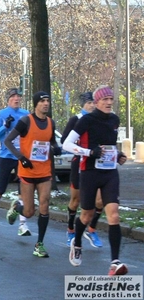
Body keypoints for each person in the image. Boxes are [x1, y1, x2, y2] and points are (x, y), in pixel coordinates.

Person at [62, 85, 128, 276]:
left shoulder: (114, 120)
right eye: (104, 100)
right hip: (90, 172)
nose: (108, 103)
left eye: (111, 100)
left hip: (109, 173)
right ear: (97, 102)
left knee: (114, 214)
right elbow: (66, 144)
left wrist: (119, 155)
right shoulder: (86, 120)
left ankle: (115, 262)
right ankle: (78, 241)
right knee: (86, 215)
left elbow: (109, 146)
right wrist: (88, 152)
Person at [4, 91, 62, 258]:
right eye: (42, 101)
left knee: (45, 204)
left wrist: (56, 148)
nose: (46, 103)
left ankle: (39, 244)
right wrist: (21, 158)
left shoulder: (51, 123)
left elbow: (51, 141)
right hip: (27, 171)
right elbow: (8, 141)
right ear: (36, 104)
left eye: (48, 101)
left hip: (44, 170)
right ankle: (17, 207)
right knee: (29, 212)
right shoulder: (25, 121)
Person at [61, 92, 103, 248]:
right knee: (76, 200)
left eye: (94, 103)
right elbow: (64, 141)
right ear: (83, 104)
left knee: (100, 200)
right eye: (89, 103)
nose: (92, 105)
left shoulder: (100, 119)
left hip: (97, 164)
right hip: (79, 163)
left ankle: (91, 229)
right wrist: (80, 148)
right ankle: (70, 229)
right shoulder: (76, 119)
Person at [0, 88, 31, 235]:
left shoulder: (26, 114)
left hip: (21, 157)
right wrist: (4, 126)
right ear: (8, 99)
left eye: (19, 96)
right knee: (1, 188)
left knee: (24, 190)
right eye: (13, 96)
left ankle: (22, 225)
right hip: (6, 156)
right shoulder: (2, 114)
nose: (17, 99)